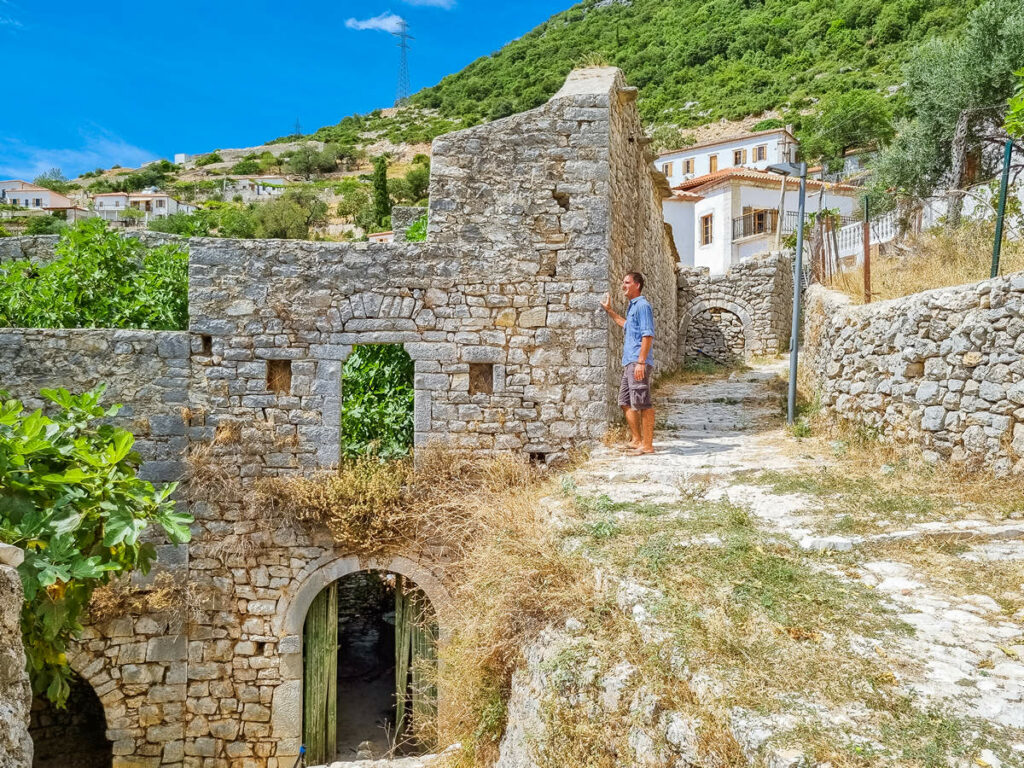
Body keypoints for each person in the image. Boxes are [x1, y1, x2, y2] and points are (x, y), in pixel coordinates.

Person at [601, 272, 655, 455]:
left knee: (643, 402)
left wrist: (641, 362)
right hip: (629, 362)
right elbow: (625, 325)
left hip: (637, 361)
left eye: (626, 282)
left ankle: (647, 445)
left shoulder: (642, 306)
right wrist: (609, 311)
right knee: (625, 401)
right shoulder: (632, 308)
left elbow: (648, 334)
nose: (623, 285)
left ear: (637, 285)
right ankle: (636, 440)